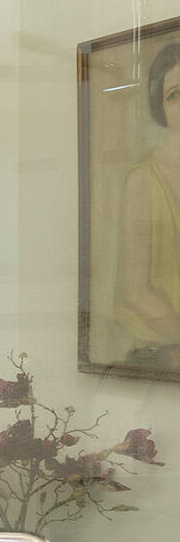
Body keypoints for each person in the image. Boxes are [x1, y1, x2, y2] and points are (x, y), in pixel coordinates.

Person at [117, 40, 180, 370]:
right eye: (176, 95)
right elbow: (135, 292)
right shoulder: (144, 180)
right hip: (161, 355)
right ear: (161, 107)